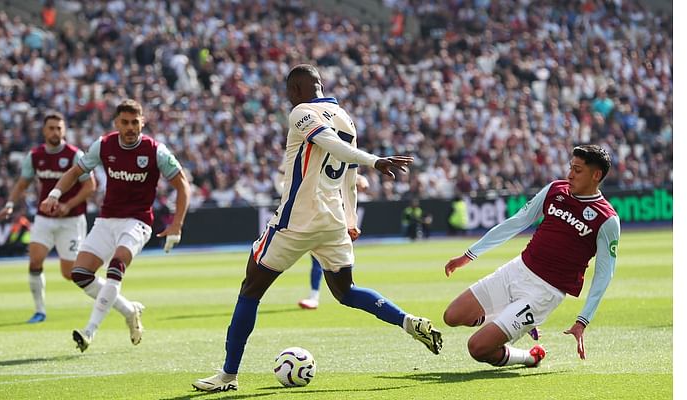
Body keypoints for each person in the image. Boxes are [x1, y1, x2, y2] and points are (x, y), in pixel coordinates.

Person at [193, 64, 442, 392]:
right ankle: (408, 322)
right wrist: (351, 220)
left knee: (250, 288)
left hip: (296, 220)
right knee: (346, 291)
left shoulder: (302, 112)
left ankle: (228, 375)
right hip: (333, 222)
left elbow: (332, 146)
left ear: (294, 90)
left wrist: (374, 160)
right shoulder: (347, 119)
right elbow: (349, 177)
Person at [442, 145, 620, 368]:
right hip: (517, 270)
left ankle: (530, 356)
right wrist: (470, 255)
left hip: (543, 293)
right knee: (452, 316)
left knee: (477, 348)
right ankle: (515, 320)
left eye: (577, 170)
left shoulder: (607, 219)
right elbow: (517, 221)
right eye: (570, 167)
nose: (570, 174)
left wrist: (582, 320)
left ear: (596, 175)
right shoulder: (555, 190)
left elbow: (604, 274)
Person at [39, 99, 191, 352]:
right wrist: (54, 194)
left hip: (138, 221)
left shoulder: (156, 151)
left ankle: (89, 331)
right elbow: (76, 172)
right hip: (107, 220)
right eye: (125, 122)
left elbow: (182, 185)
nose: (131, 127)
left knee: (116, 266)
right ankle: (129, 310)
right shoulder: (104, 145)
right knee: (80, 274)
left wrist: (177, 224)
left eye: (135, 122)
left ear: (142, 122)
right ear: (116, 124)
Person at [0, 112, 96, 323]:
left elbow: (90, 185)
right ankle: (39, 310)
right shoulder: (35, 156)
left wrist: (68, 205)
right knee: (35, 261)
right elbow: (22, 183)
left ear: (64, 130)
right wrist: (10, 204)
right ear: (44, 131)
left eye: (59, 128)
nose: (55, 132)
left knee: (70, 274)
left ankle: (106, 292)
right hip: (44, 218)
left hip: (71, 220)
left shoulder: (74, 155)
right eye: (51, 128)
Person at [298, 174, 370, 310]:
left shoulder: (332, 161)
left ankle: (318, 296)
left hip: (334, 217)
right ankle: (315, 296)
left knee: (335, 260)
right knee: (318, 259)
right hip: (324, 215)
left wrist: (360, 178)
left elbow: (346, 173)